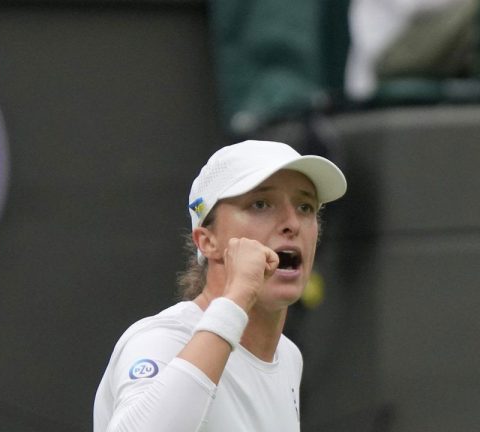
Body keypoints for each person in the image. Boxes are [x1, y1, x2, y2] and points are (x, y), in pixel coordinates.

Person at [93, 140, 347, 431]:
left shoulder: (288, 357)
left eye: (305, 207)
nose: (293, 223)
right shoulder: (163, 340)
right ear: (207, 241)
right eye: (261, 204)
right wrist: (238, 297)